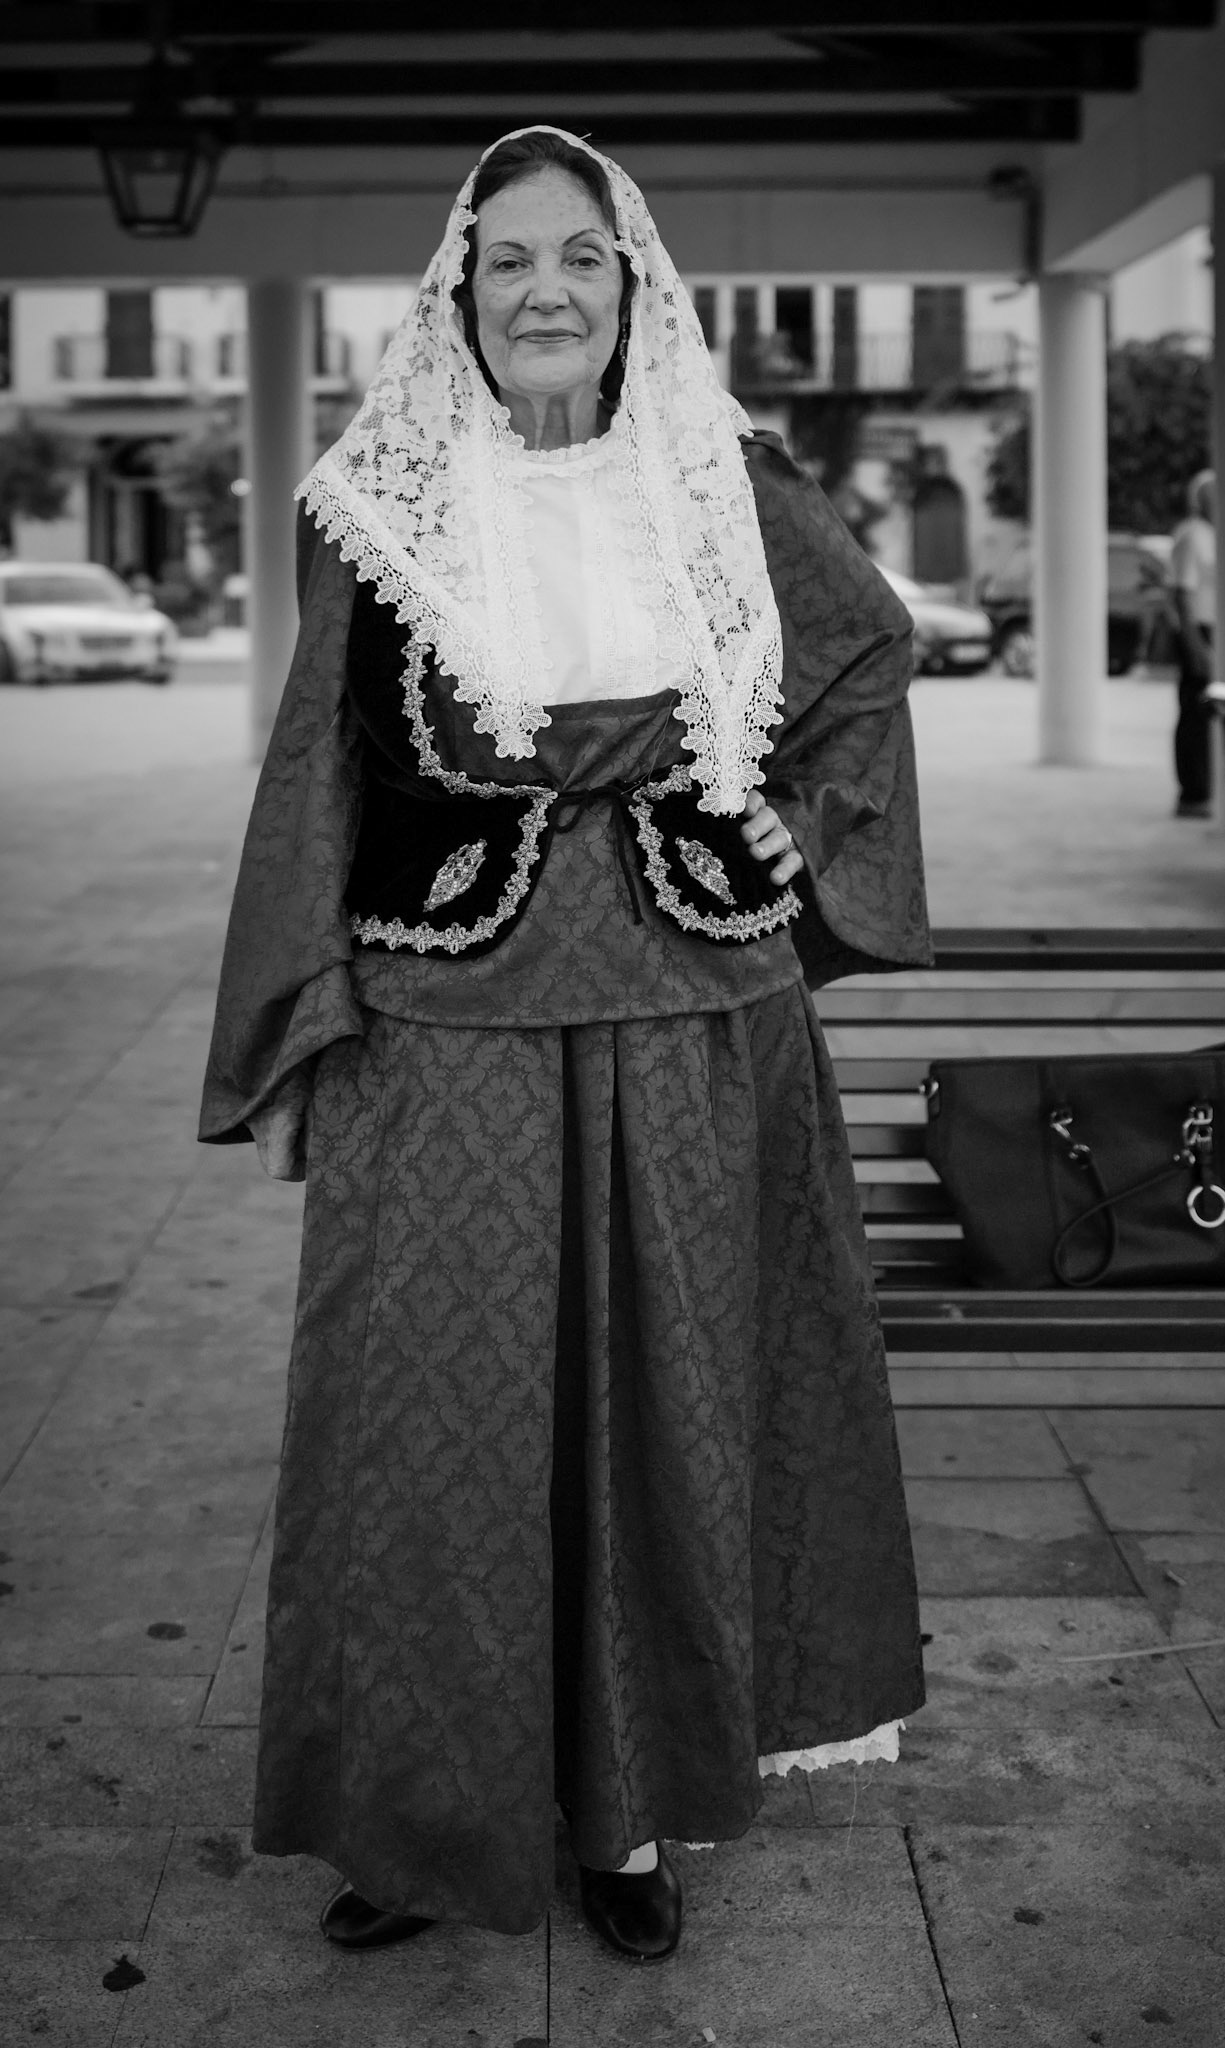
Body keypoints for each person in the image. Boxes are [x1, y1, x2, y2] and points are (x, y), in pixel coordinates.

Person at [199, 126, 927, 1967]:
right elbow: (318, 766)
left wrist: (801, 832)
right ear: (459, 293)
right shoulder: (371, 505)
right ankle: (421, 1817)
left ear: (633, 285)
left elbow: (863, 657)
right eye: (507, 259)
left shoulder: (729, 481)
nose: (544, 290)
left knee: (670, 1409)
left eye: (578, 258)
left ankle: (631, 1814)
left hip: (695, 1008)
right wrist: (299, 1013)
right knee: (431, 1430)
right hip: (446, 1017)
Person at [1169, 468, 1217, 817]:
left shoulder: (1215, 535)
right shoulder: (1193, 536)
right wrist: (1196, 645)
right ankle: (1194, 792)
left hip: (1213, 630)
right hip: (1199, 631)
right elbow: (1182, 594)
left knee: (1206, 715)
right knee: (1195, 714)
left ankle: (1206, 788)